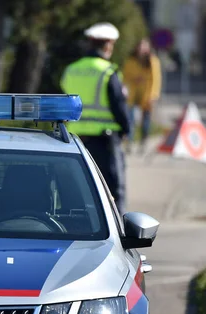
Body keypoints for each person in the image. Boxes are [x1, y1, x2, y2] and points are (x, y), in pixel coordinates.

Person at [60, 22, 130, 214]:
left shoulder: (71, 70)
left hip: (74, 141)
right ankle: (120, 234)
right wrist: (127, 130)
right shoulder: (108, 71)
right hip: (104, 143)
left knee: (75, 192)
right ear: (107, 45)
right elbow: (119, 106)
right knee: (114, 192)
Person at [122, 38, 162, 154]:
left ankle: (143, 142)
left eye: (144, 46)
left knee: (146, 121)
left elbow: (156, 79)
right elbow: (125, 77)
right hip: (132, 94)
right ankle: (129, 142)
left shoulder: (152, 61)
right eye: (140, 46)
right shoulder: (130, 61)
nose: (141, 49)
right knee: (130, 119)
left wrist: (153, 95)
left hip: (147, 94)